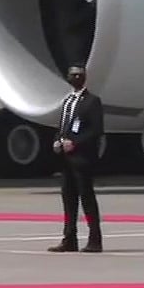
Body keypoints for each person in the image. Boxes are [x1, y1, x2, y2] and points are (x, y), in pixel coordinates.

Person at [48, 64, 105, 253]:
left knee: (87, 198)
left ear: (84, 78)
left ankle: (95, 238)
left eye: (78, 75)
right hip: (66, 159)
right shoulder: (68, 101)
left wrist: (76, 143)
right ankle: (69, 238)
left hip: (83, 158)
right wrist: (58, 140)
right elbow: (63, 127)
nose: (75, 78)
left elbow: (96, 130)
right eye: (72, 75)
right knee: (69, 199)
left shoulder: (92, 102)